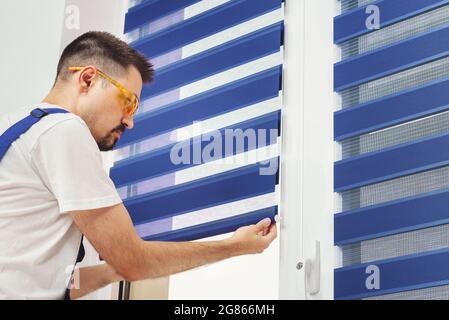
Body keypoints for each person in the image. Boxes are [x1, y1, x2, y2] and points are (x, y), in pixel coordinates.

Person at [0, 31, 277, 300]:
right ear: (87, 79)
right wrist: (235, 246)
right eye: (129, 103)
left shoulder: (16, 128)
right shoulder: (64, 130)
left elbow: (53, 282)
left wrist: (112, 271)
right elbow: (135, 262)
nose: (130, 121)